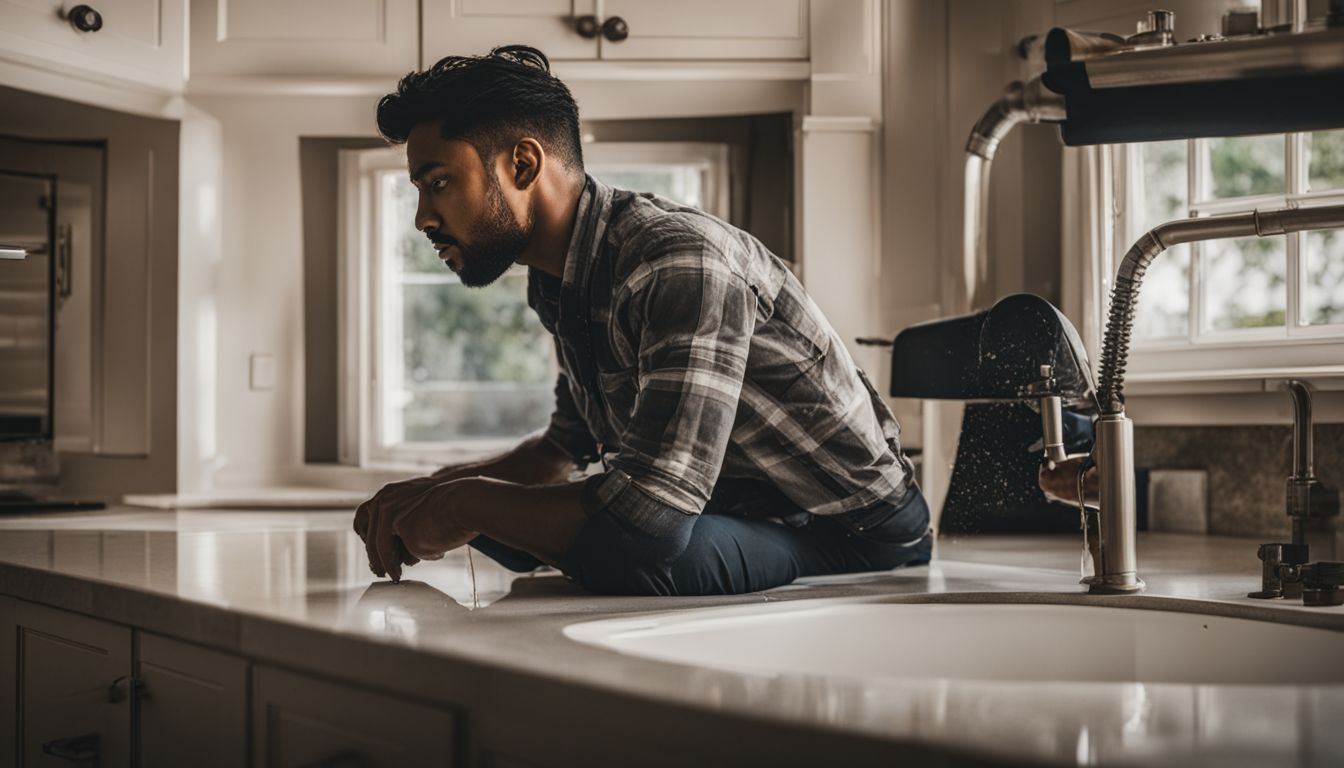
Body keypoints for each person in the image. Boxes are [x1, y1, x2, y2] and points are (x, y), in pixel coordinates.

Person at [352, 45, 931, 596]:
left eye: (439, 183)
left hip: (849, 528)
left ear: (523, 164)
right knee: (545, 526)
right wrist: (435, 491)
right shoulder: (557, 280)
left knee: (637, 552)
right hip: (730, 506)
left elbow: (649, 521)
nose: (423, 218)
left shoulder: (678, 262)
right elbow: (561, 449)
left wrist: (463, 505)